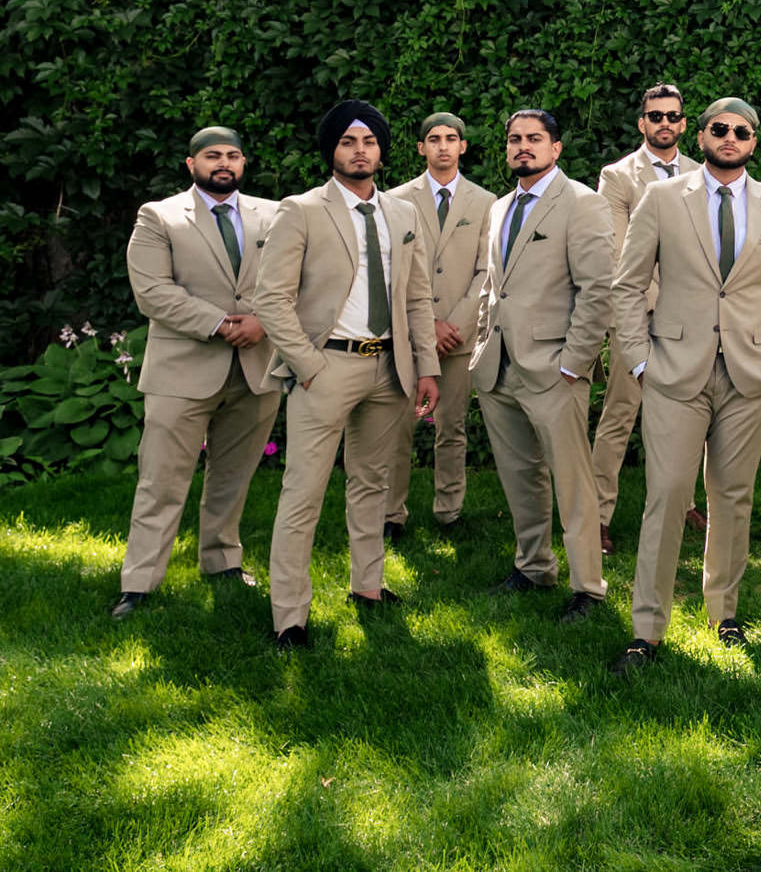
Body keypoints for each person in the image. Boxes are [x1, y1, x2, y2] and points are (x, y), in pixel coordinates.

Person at [609, 97, 761, 672]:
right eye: (719, 129)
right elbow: (627, 284)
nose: (730, 137)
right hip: (673, 369)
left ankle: (725, 613)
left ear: (753, 142)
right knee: (666, 495)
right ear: (701, 137)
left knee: (733, 497)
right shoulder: (663, 198)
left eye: (741, 131)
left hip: (750, 374)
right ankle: (646, 630)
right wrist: (641, 361)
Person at [255, 101, 441, 647]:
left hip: (390, 368)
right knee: (303, 492)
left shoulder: (403, 214)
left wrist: (426, 366)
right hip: (326, 365)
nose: (359, 151)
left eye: (369, 142)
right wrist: (309, 366)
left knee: (372, 484)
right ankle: (289, 616)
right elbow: (272, 299)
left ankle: (368, 586)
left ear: (382, 151)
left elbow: (417, 297)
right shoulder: (301, 210)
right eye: (347, 142)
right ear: (332, 151)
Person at [112, 126, 281, 620]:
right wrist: (220, 324)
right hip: (182, 370)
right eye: (212, 156)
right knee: (161, 480)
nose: (223, 163)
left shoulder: (274, 214)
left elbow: (297, 280)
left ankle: (222, 561)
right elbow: (152, 292)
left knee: (234, 475)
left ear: (244, 163)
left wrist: (262, 322)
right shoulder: (159, 216)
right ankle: (139, 583)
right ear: (192, 164)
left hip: (255, 367)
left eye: (232, 155)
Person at [470, 109, 614, 623]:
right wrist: (482, 344)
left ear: (556, 149)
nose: (522, 147)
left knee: (573, 483)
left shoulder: (581, 204)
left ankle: (588, 589)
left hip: (555, 368)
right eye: (514, 140)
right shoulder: (499, 207)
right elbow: (494, 283)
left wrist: (573, 363)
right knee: (518, 475)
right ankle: (533, 567)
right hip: (498, 366)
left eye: (534, 139)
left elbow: (598, 289)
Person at [592, 83, 699, 551]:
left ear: (683, 123)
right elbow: (618, 254)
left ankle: (686, 500)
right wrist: (657, 302)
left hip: (692, 316)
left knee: (693, 411)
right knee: (620, 415)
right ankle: (596, 514)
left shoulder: (701, 172)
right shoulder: (618, 177)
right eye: (655, 116)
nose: (664, 123)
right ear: (642, 123)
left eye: (672, 116)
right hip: (637, 314)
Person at [383, 113, 492, 535]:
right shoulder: (395, 200)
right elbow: (393, 270)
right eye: (434, 139)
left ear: (463, 147)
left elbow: (487, 272)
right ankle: (392, 513)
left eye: (451, 139)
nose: (443, 146)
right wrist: (426, 325)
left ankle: (450, 510)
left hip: (459, 338)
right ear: (421, 148)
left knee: (453, 426)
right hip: (411, 335)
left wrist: (456, 323)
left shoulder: (486, 203)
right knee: (397, 427)